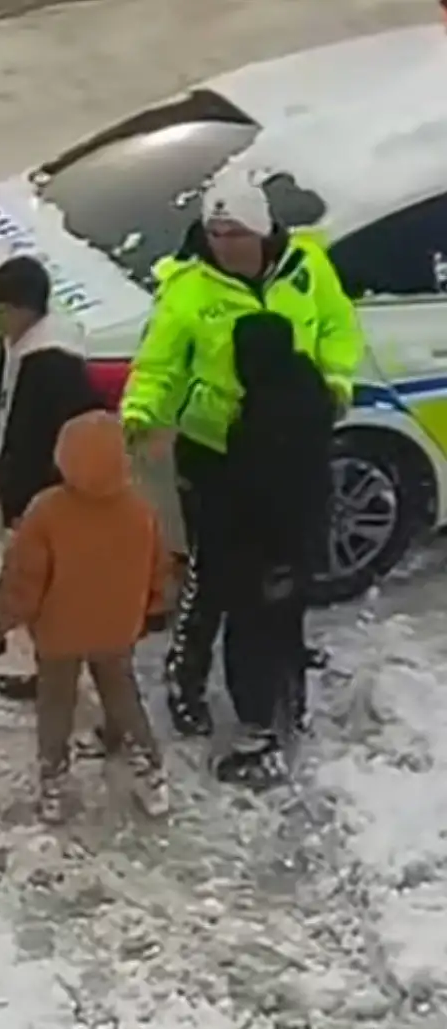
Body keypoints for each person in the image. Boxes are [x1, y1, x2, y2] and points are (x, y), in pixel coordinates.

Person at [119, 167, 362, 738]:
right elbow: (158, 368)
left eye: (236, 235)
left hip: (287, 442)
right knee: (214, 575)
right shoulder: (188, 292)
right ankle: (187, 678)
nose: (225, 246)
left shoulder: (308, 267)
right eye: (216, 234)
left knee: (288, 564)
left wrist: (334, 385)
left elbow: (338, 326)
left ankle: (285, 651)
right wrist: (140, 417)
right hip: (217, 452)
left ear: (263, 230)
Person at [0, 410, 171, 824]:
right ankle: (149, 773)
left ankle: (55, 784)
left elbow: (22, 580)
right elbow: (159, 566)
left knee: (56, 704)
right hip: (118, 628)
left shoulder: (47, 512)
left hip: (59, 633)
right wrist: (156, 607)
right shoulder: (140, 509)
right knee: (121, 693)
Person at [0, 255, 106, 702]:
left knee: (53, 600)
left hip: (44, 501)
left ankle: (59, 679)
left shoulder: (52, 363)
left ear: (22, 309)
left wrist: (26, 501)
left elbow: (58, 435)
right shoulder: (25, 345)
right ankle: (49, 670)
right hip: (31, 500)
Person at [216, 312, 334, 787]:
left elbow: (265, 496)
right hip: (299, 544)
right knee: (286, 630)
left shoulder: (263, 423)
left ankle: (258, 738)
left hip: (264, 551)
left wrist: (275, 561)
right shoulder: (306, 391)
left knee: (249, 638)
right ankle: (292, 709)